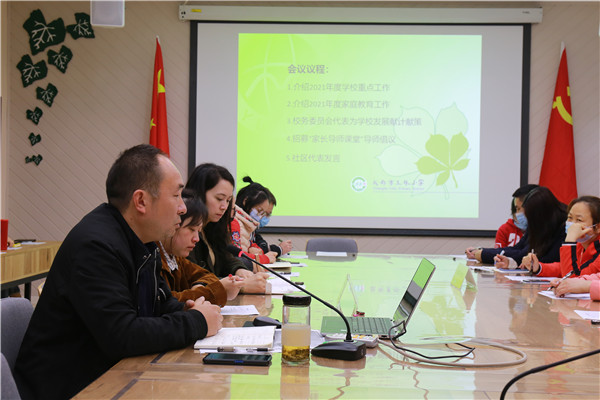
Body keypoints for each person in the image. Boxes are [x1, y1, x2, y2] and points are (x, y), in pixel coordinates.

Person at [14, 145, 223, 400]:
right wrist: (197, 321)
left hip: (111, 378)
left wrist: (188, 310)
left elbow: (160, 303)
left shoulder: (143, 241)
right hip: (68, 390)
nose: (182, 207)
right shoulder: (96, 246)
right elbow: (122, 335)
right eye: (176, 195)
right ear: (141, 201)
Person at [185, 163, 269, 293]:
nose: (224, 206)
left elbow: (227, 259)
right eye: (219, 199)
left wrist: (239, 270)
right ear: (199, 194)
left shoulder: (214, 227)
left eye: (228, 200)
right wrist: (239, 286)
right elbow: (194, 280)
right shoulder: (185, 232)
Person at [159, 190, 244, 305]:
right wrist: (218, 290)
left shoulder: (175, 258)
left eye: (198, 231)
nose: (196, 239)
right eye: (191, 229)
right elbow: (167, 303)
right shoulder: (154, 257)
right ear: (174, 224)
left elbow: (207, 275)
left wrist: (200, 285)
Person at [468, 187, 566, 266]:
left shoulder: (563, 228)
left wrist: (484, 254)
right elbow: (518, 248)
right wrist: (482, 251)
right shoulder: (540, 222)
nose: (517, 214)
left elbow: (530, 256)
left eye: (520, 209)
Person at [522, 196, 600, 277]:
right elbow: (563, 267)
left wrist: (570, 241)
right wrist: (538, 268)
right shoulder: (581, 244)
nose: (572, 224)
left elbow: (571, 277)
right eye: (570, 217)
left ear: (598, 227)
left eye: (579, 220)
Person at [236, 176, 293, 258]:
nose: (261, 217)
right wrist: (268, 257)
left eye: (264, 213)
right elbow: (243, 257)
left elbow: (260, 245)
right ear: (246, 201)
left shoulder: (250, 226)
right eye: (260, 211)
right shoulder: (237, 224)